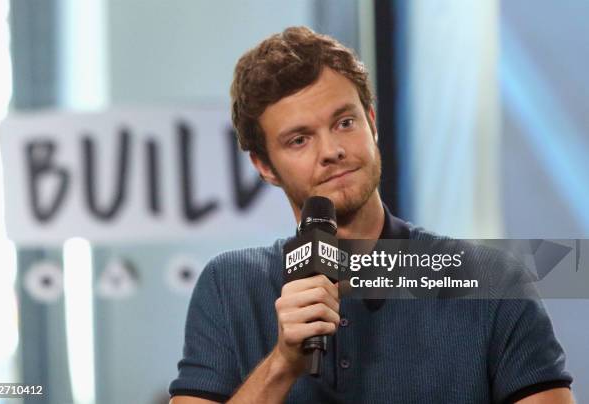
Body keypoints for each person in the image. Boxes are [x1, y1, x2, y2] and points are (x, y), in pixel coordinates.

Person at [169, 26, 574, 403]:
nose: (331, 151)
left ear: (372, 124)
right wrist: (282, 365)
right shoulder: (230, 286)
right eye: (299, 140)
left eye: (344, 122)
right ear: (264, 166)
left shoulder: (493, 281)